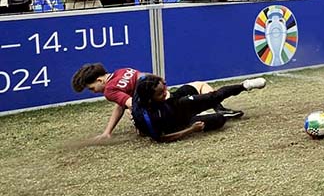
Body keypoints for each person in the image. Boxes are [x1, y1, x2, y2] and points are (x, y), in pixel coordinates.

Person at [70, 63, 250, 141]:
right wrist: (108, 131)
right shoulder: (122, 71)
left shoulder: (109, 90)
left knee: (186, 116)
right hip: (164, 93)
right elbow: (122, 103)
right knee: (199, 85)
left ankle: (212, 111)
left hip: (160, 106)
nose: (94, 91)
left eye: (91, 88)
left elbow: (132, 104)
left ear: (100, 80)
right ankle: (218, 106)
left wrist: (142, 124)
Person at [131, 74, 266, 143]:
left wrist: (161, 82)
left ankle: (244, 85)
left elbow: (141, 76)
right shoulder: (147, 116)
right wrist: (191, 130)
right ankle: (221, 113)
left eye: (164, 87)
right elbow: (161, 139)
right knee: (218, 120)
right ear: (149, 99)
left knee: (213, 96)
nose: (165, 91)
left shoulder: (144, 84)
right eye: (160, 93)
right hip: (178, 124)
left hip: (174, 104)